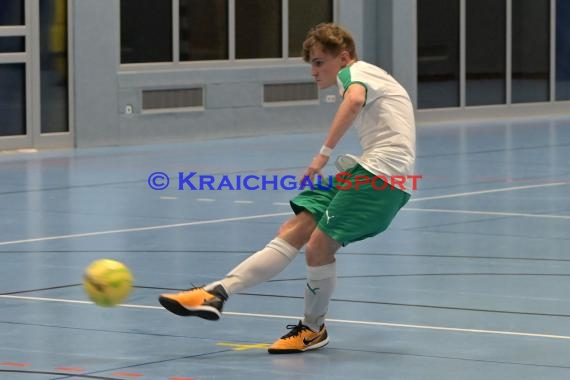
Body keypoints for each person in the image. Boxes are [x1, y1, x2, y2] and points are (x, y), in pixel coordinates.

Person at [158, 23, 416, 354]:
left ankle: (312, 329)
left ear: (344, 58)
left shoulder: (355, 74)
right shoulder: (369, 76)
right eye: (311, 63)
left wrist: (321, 156)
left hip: (383, 177)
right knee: (293, 230)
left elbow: (353, 101)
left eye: (320, 62)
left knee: (318, 248)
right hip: (365, 169)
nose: (313, 71)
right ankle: (214, 293)